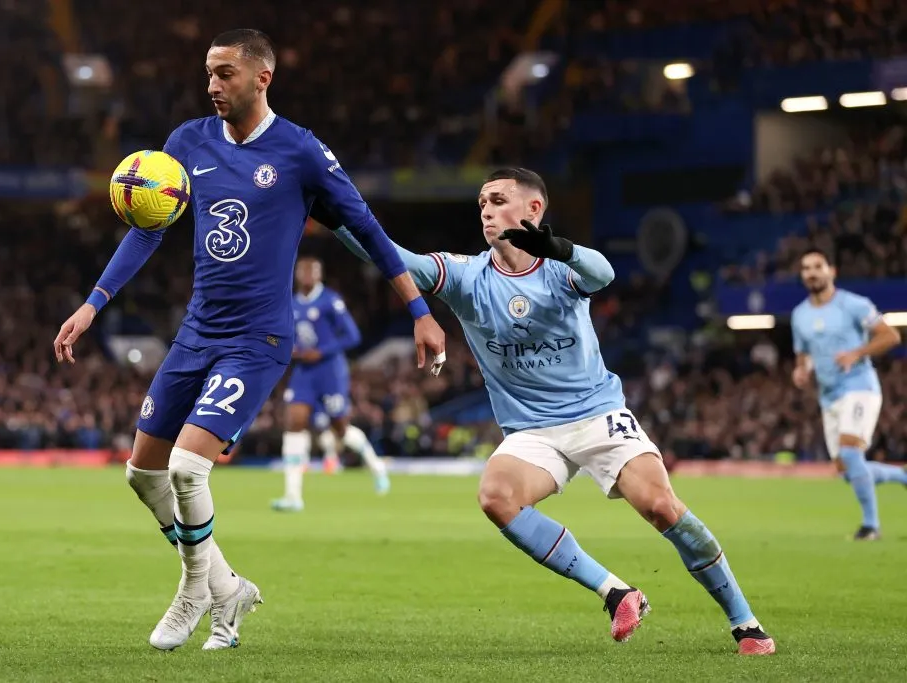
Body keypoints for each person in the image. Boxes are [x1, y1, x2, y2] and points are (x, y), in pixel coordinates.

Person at [52, 29, 445, 652]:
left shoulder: (301, 152)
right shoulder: (186, 142)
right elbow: (149, 229)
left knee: (186, 465)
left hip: (257, 338)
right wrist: (94, 303)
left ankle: (193, 590)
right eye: (209, 73)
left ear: (262, 78)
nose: (212, 85)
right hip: (197, 331)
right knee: (142, 473)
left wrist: (419, 309)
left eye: (226, 73)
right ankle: (227, 586)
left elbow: (368, 227)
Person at [328, 167, 775, 655]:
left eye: (498, 199)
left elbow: (603, 274)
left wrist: (558, 247)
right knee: (496, 496)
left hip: (597, 416)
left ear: (533, 209)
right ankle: (617, 592)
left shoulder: (563, 268)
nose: (486, 209)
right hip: (531, 430)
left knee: (661, 506)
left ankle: (745, 623)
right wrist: (332, 213)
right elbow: (389, 256)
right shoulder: (464, 275)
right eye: (482, 203)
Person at [791, 248, 904, 541]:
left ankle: (871, 526)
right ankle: (902, 477)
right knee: (846, 470)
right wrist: (801, 371)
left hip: (859, 386)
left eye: (817, 266)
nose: (811, 272)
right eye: (806, 268)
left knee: (852, 453)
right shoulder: (799, 315)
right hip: (828, 397)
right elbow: (803, 355)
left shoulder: (854, 304)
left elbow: (890, 335)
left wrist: (857, 352)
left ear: (832, 271)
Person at [273, 256, 390, 512]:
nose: (307, 275)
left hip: (330, 371)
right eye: (303, 270)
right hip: (304, 371)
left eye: (312, 270)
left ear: (319, 275)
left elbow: (352, 336)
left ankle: (376, 465)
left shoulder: (330, 301)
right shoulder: (290, 303)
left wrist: (322, 351)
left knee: (340, 429)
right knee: (293, 422)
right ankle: (293, 496)